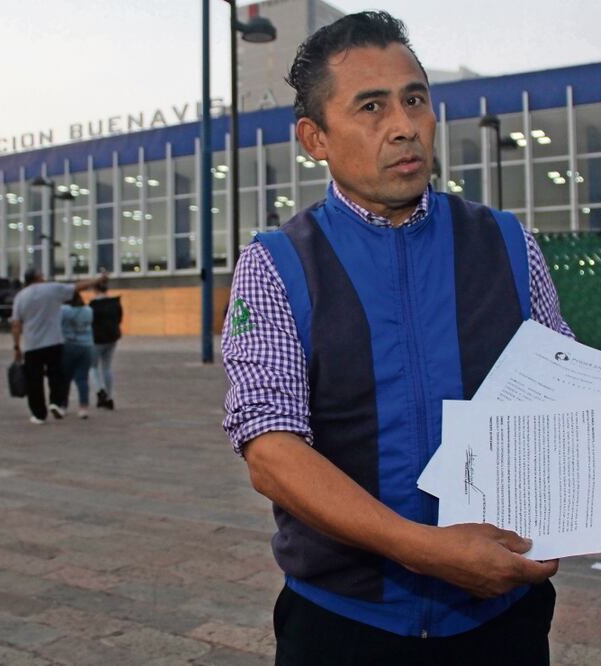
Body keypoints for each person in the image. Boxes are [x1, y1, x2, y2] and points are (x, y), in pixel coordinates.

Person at [222, 12, 572, 664]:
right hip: (344, 622)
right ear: (314, 138)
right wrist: (422, 547)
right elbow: (269, 449)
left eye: (414, 98)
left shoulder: (506, 243)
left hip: (500, 617)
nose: (404, 124)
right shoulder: (276, 263)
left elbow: (559, 399)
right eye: (370, 107)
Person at [10, 268, 102, 424]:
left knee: (34, 380)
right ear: (38, 277)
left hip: (32, 344)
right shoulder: (51, 289)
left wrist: (16, 346)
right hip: (54, 341)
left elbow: (16, 324)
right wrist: (97, 280)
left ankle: (39, 414)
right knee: (56, 374)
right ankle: (56, 403)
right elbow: (76, 287)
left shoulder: (21, 296)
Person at [89, 274, 122, 410]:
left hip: (97, 339)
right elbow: (119, 319)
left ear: (95, 289)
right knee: (107, 367)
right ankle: (109, 396)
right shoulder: (115, 303)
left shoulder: (93, 305)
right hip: (112, 337)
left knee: (93, 367)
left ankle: (100, 390)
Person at [60, 291, 94, 418]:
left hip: (68, 345)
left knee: (65, 378)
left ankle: (63, 405)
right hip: (86, 346)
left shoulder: (64, 310)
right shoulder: (88, 310)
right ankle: (83, 407)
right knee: (82, 378)